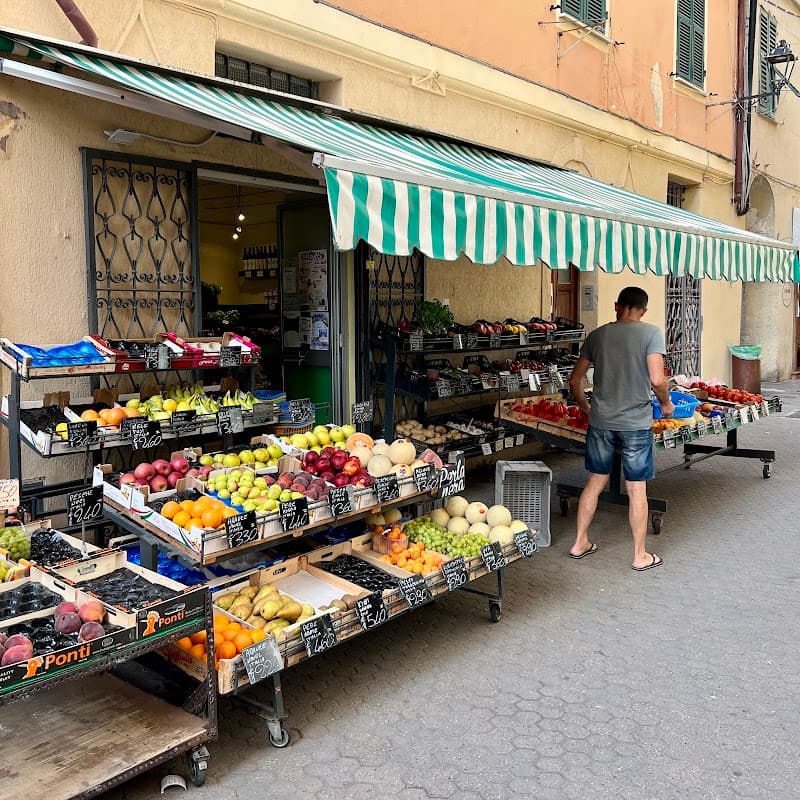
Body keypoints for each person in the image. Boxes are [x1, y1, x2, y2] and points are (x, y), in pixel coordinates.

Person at [567, 286, 674, 572]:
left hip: (601, 421)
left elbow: (575, 380)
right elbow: (657, 379)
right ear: (644, 310)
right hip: (635, 424)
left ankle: (579, 542)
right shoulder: (651, 334)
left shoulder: (598, 335)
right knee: (636, 488)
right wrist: (666, 404)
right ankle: (640, 555)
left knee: (595, 480)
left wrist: (585, 407)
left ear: (617, 306)